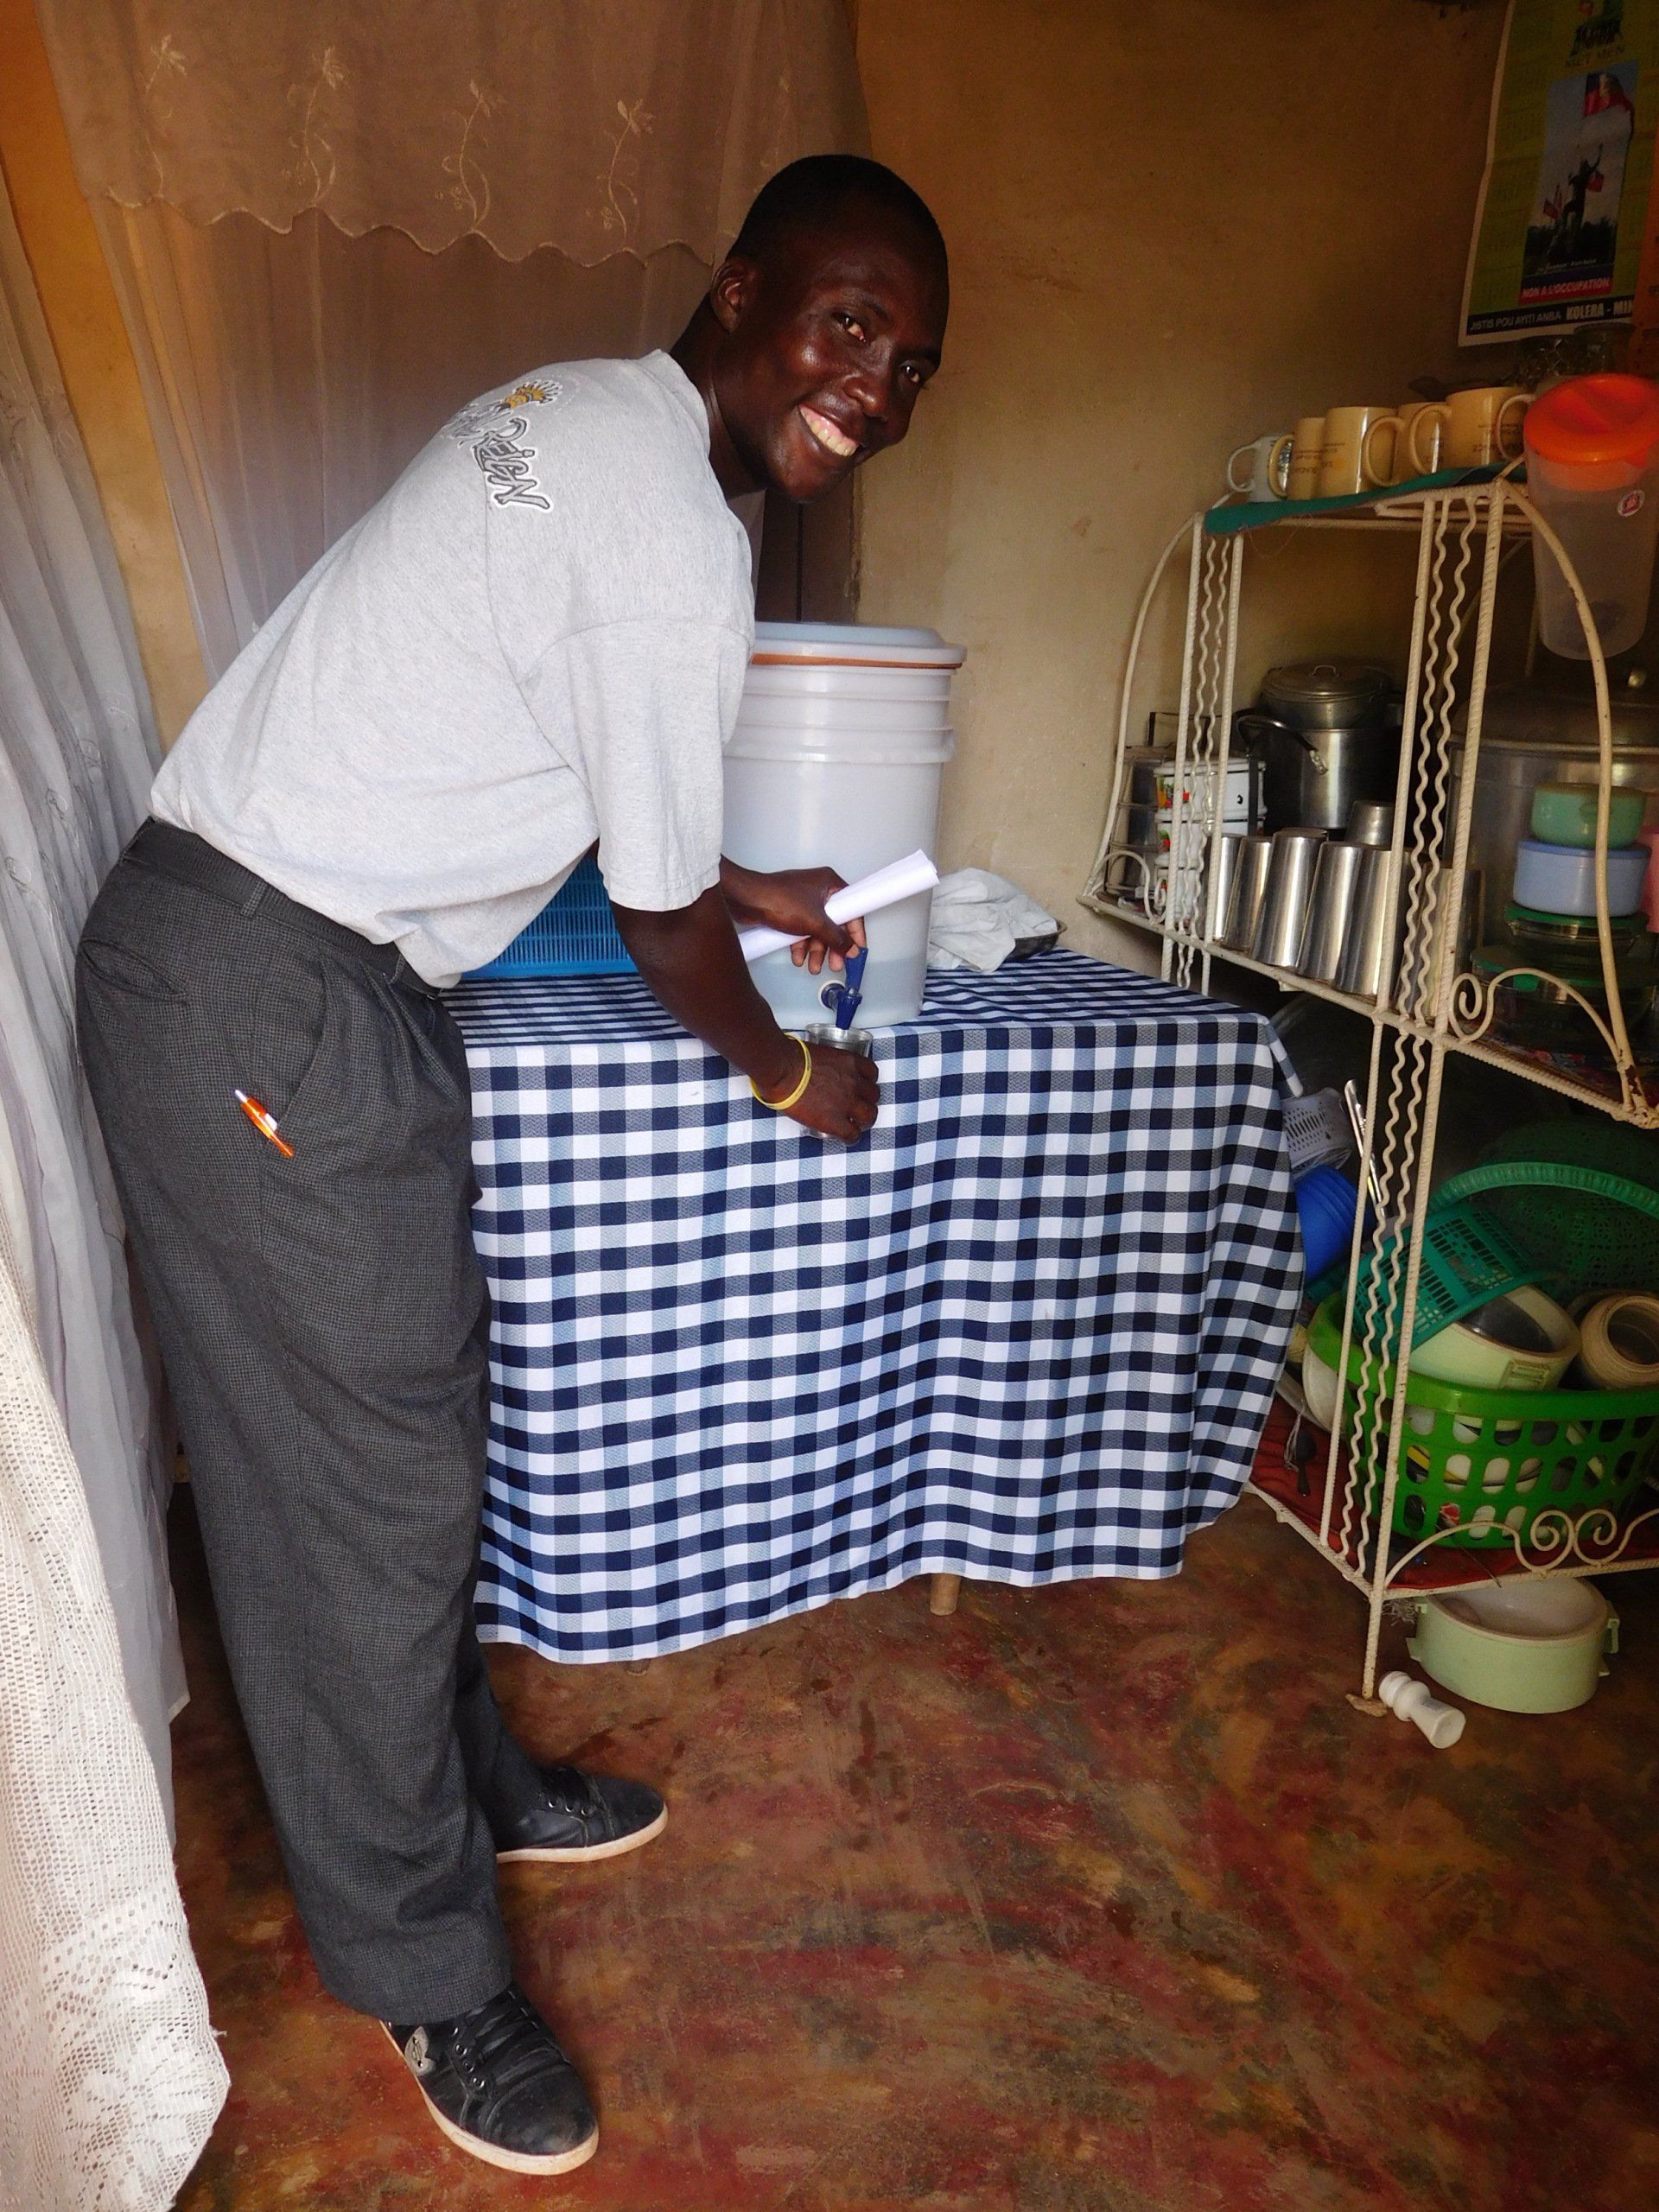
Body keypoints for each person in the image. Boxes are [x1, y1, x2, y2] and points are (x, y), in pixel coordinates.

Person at [75, 154, 948, 2176]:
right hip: (264, 985)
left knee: (399, 1452)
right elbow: (652, 927)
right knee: (359, 1498)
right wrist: (794, 1076)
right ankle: (423, 1965)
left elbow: (585, 776)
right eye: (850, 324)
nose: (878, 386)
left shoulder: (595, 419)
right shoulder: (668, 533)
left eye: (912, 363)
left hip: (282, 961)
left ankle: (458, 1779)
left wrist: (739, 880)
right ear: (744, 291)